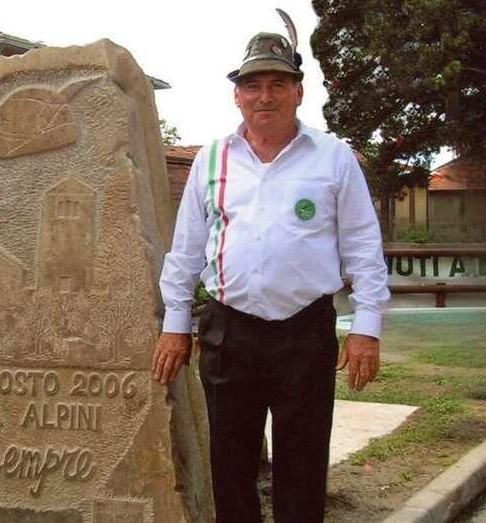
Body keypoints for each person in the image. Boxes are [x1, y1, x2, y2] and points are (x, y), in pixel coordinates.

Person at [151, 29, 390, 523]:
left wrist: (366, 327)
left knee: (302, 464)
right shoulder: (212, 160)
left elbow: (364, 246)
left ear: (298, 91)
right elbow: (187, 248)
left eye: (278, 84)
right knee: (230, 465)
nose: (265, 95)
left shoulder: (332, 158)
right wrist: (176, 321)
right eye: (253, 84)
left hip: (304, 332)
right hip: (227, 330)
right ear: (236, 94)